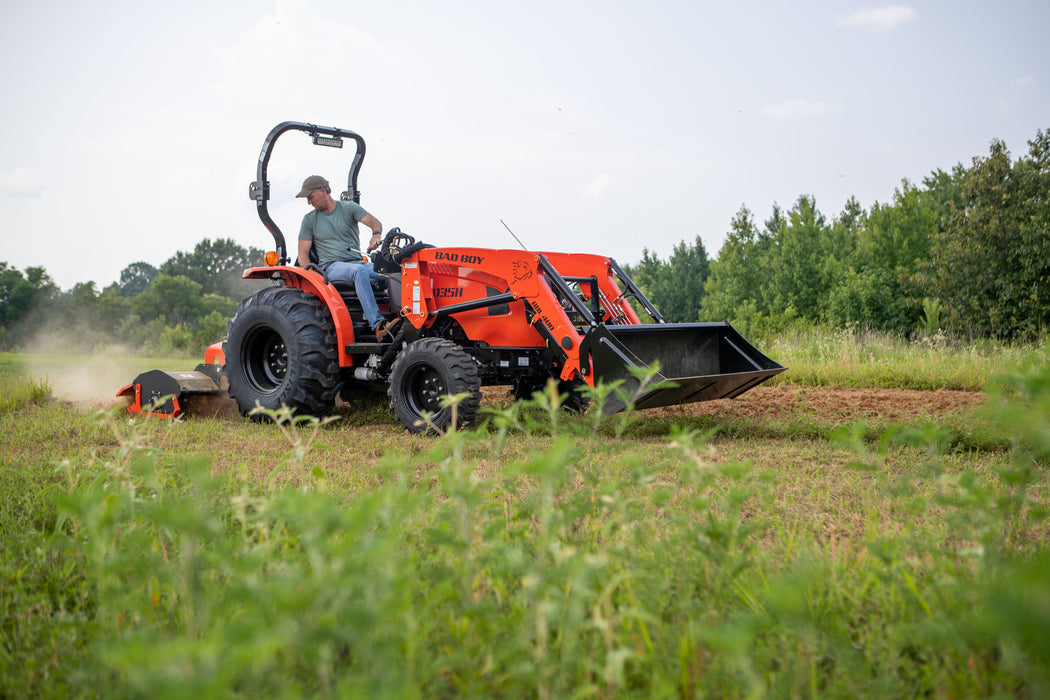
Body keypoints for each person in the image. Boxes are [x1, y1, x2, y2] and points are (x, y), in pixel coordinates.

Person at [295, 175, 398, 341]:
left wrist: (376, 235)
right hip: (331, 266)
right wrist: (312, 275)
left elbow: (374, 222)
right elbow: (303, 254)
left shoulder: (349, 208)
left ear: (323, 191)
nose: (309, 202)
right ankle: (378, 326)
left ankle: (401, 318)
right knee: (358, 272)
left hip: (358, 263)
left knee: (393, 273)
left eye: (310, 197)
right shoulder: (309, 220)